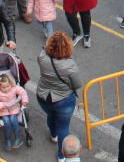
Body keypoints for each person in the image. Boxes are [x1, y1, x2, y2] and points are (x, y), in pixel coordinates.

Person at [36, 31, 83, 160]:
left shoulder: (42, 57)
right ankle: (61, 155)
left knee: (51, 115)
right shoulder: (70, 65)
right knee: (63, 126)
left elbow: (44, 48)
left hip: (43, 96)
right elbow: (77, 84)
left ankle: (53, 135)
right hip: (63, 100)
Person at [0, 72, 29, 151]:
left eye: (7, 86)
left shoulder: (14, 88)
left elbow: (23, 92)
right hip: (3, 111)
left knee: (13, 119)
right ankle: (8, 139)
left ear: (10, 83)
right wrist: (2, 105)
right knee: (6, 121)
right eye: (3, 87)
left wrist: (24, 101)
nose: (6, 88)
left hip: (14, 109)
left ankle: (18, 138)